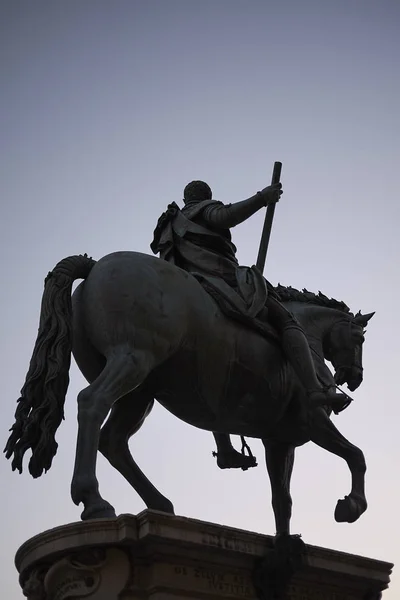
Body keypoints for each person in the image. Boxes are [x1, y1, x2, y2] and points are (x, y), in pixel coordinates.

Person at [151, 181, 347, 468]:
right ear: (205, 197)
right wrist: (262, 198)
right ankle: (316, 390)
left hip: (188, 286)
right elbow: (226, 217)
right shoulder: (203, 211)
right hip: (219, 279)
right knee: (287, 319)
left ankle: (225, 447)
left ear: (184, 198)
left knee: (212, 364)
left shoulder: (172, 223)